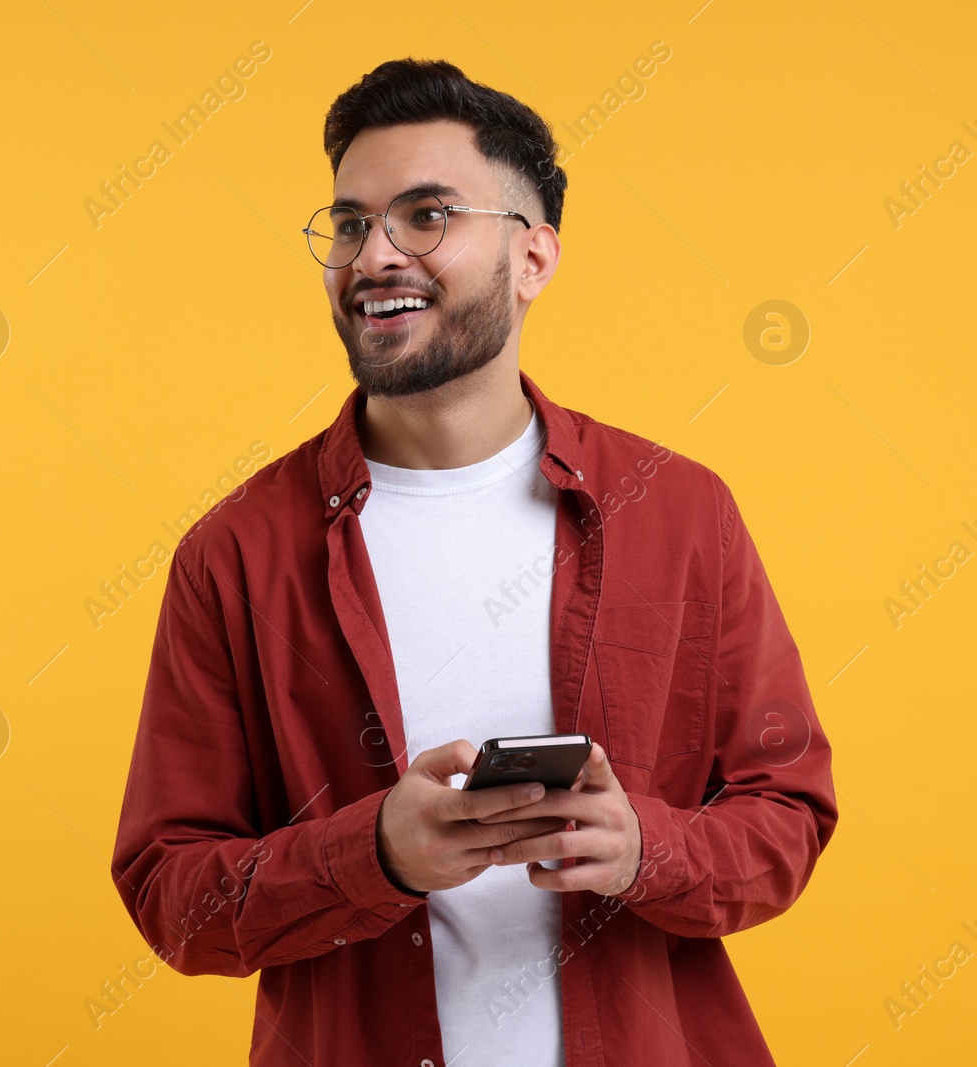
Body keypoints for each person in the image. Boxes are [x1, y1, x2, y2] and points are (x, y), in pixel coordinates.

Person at [110, 57, 837, 1067]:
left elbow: (786, 809)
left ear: (533, 255)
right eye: (352, 223)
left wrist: (644, 851)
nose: (374, 257)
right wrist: (372, 854)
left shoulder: (677, 510)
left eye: (425, 215)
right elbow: (171, 894)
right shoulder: (235, 553)